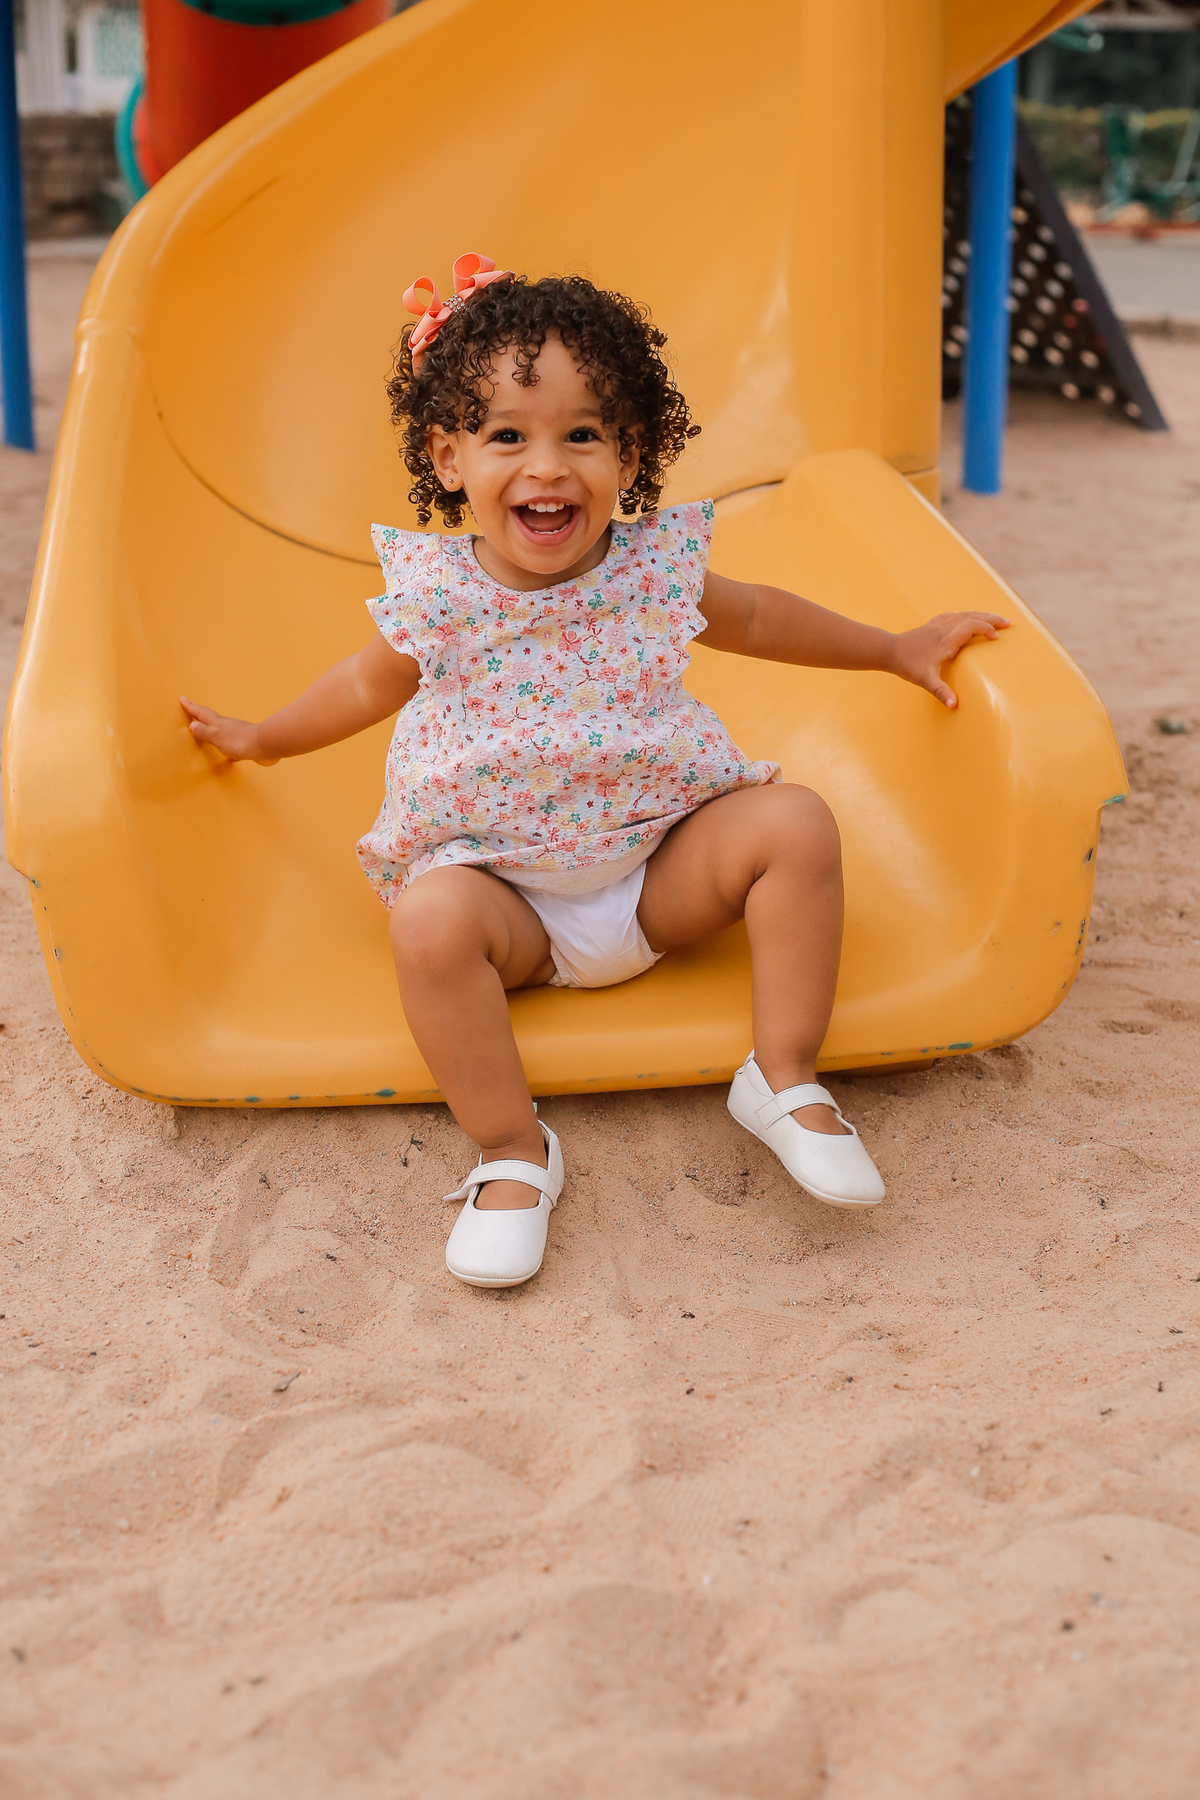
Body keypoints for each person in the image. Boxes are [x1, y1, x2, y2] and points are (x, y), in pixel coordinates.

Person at [181, 254, 1008, 1291]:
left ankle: (785, 1076)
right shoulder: (439, 595)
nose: (548, 467)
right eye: (507, 437)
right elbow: (359, 687)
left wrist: (892, 647)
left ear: (631, 451)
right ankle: (511, 1151)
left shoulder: (654, 568)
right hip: (510, 907)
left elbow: (762, 618)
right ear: (448, 456)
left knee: (795, 821)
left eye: (583, 434)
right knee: (428, 924)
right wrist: (265, 737)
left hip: (659, 872)